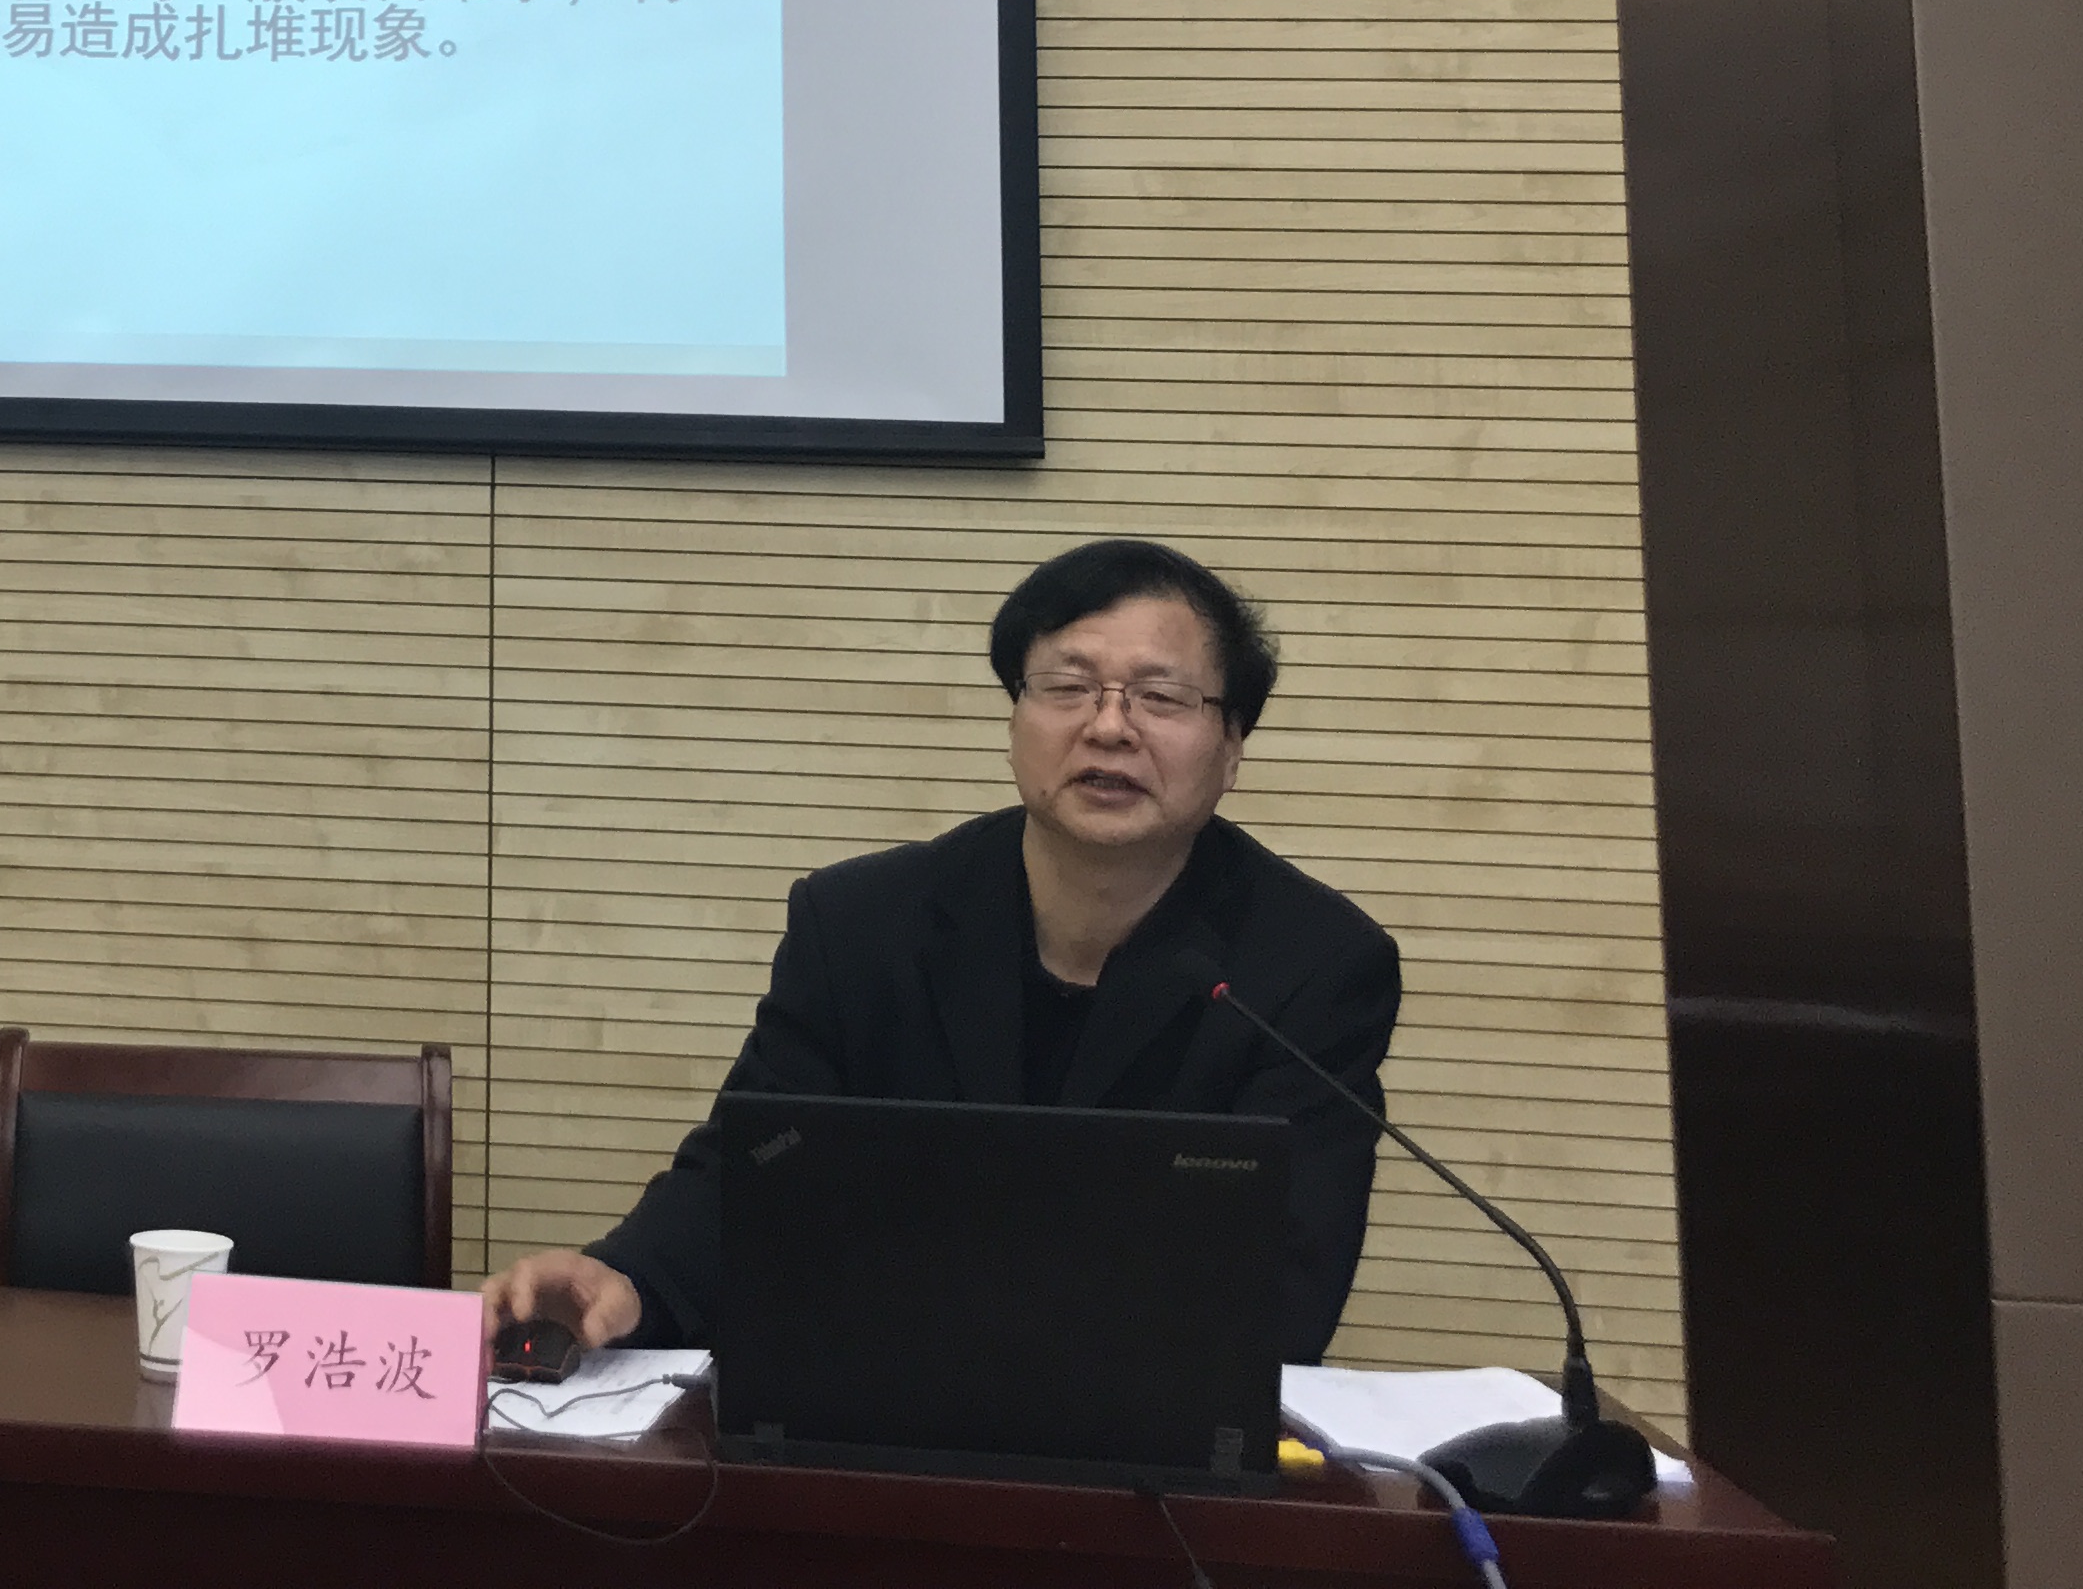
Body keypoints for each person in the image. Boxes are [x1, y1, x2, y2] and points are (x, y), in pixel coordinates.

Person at [485, 537, 1399, 1366]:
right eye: (1068, 686)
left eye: (1161, 698)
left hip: (1151, 1436)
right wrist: (628, 1277)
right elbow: (755, 1169)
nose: (1110, 727)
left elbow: (1284, 1292)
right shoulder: (863, 924)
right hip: (877, 1415)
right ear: (1015, 719)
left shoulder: (1313, 968)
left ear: (1232, 746)